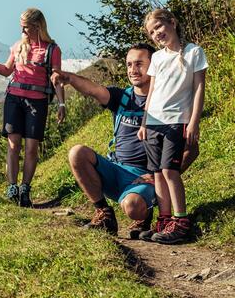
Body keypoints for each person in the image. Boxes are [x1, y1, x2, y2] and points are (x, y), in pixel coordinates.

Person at [51, 43, 199, 239]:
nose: (132, 70)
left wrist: (159, 178)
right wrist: (68, 77)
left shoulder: (167, 102)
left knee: (133, 206)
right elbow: (93, 90)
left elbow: (192, 148)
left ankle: (144, 215)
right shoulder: (122, 97)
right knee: (77, 152)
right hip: (114, 169)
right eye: (129, 65)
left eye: (139, 64)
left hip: (144, 177)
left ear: (154, 65)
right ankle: (104, 214)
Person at [0, 8, 65, 207]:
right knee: (13, 145)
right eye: (21, 28)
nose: (23, 31)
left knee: (31, 148)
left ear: (37, 26)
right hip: (14, 99)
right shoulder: (18, 46)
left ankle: (25, 189)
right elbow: (6, 71)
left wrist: (61, 103)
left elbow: (57, 79)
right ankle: (12, 187)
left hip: (37, 101)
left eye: (26, 28)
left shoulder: (52, 49)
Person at [136, 9, 208, 244]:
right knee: (158, 173)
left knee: (170, 170)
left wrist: (194, 121)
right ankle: (165, 219)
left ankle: (181, 221)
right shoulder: (156, 58)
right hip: (153, 123)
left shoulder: (193, 52)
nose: (156, 34)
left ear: (172, 23)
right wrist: (144, 122)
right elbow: (152, 91)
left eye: (159, 27)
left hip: (177, 121)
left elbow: (198, 89)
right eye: (152, 32)